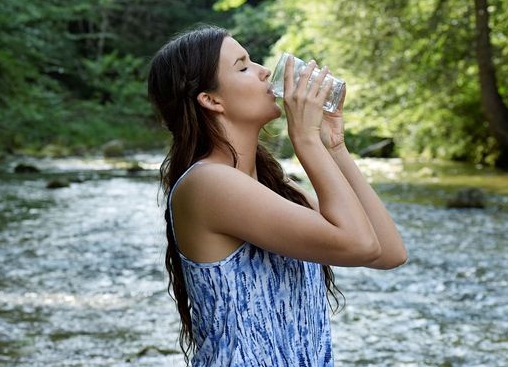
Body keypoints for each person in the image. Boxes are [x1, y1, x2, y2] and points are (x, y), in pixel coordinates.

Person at [147, 24, 407, 366]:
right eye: (243, 67)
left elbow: (388, 252)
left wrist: (334, 146)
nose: (264, 71)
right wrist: (307, 140)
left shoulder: (273, 188)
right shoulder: (208, 184)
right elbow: (360, 244)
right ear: (211, 100)